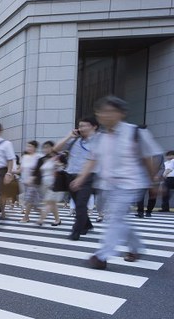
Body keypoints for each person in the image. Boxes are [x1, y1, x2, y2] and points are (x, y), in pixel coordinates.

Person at [71, 96, 163, 269]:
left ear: (121, 113)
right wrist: (81, 177)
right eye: (101, 112)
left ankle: (102, 256)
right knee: (119, 219)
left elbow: (148, 159)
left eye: (109, 111)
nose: (104, 115)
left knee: (115, 218)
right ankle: (136, 247)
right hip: (107, 185)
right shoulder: (100, 138)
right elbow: (92, 159)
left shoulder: (136, 132)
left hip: (130, 184)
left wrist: (153, 184)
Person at [54, 117, 98, 240]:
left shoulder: (99, 141)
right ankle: (87, 224)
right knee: (79, 203)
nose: (81, 128)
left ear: (94, 126)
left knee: (80, 204)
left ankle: (76, 231)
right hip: (70, 175)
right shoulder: (75, 140)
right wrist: (69, 136)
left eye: (85, 125)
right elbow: (56, 149)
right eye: (80, 126)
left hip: (88, 176)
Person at [17, 141, 43, 223]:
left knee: (29, 200)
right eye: (27, 146)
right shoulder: (24, 157)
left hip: (34, 183)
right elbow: (20, 169)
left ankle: (26, 217)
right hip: (24, 182)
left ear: (35, 148)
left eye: (30, 146)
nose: (28, 148)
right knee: (33, 203)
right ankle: (42, 212)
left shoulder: (38, 157)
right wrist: (10, 172)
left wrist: (34, 176)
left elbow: (41, 169)